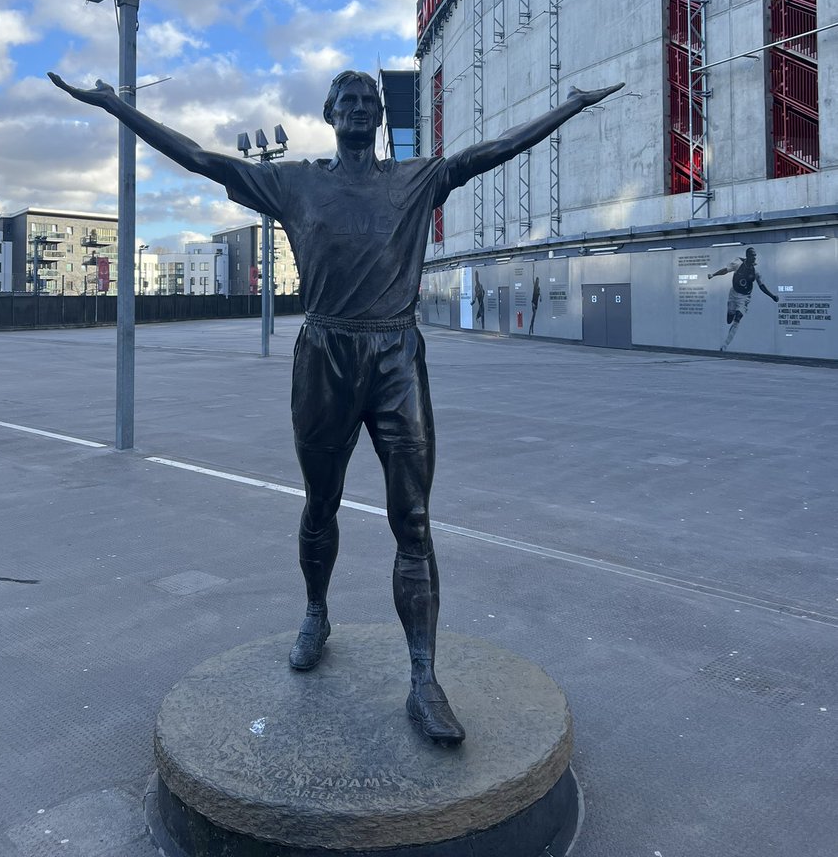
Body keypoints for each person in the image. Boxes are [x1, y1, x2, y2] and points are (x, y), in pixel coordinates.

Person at [49, 67, 622, 743]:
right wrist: (118, 108)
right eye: (344, 100)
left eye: (366, 101)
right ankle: (317, 611)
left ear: (379, 116)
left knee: (412, 520)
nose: (355, 107)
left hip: (395, 358)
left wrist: (567, 106)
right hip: (325, 356)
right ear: (329, 113)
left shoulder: (415, 179)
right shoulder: (297, 182)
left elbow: (491, 152)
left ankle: (422, 677)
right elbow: (201, 159)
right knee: (320, 503)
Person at [708, 246, 779, 350]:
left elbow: (761, 286)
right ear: (747, 256)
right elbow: (725, 270)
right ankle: (730, 312)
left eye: (755, 256)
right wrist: (713, 274)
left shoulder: (756, 271)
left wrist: (772, 296)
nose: (754, 257)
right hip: (733, 293)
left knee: (738, 318)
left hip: (744, 297)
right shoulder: (738, 264)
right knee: (729, 319)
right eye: (752, 255)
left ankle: (725, 345)